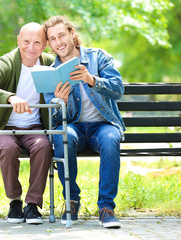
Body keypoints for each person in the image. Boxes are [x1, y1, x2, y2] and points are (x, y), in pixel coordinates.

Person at [43, 16, 125, 228]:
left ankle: (106, 208)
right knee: (63, 137)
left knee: (110, 139)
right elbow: (53, 121)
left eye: (61, 35)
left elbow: (118, 89)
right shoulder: (50, 73)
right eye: (52, 39)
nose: (59, 42)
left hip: (103, 125)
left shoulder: (99, 57)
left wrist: (92, 80)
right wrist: (57, 103)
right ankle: (71, 201)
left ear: (72, 33)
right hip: (74, 127)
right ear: (49, 44)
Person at [0, 22, 54, 224]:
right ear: (18, 41)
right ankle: (14, 201)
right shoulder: (6, 62)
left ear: (45, 44)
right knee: (8, 148)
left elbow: (60, 89)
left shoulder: (48, 63)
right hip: (5, 128)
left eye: (37, 42)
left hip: (34, 128)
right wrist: (11, 97)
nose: (31, 47)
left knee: (44, 146)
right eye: (26, 41)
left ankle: (32, 205)